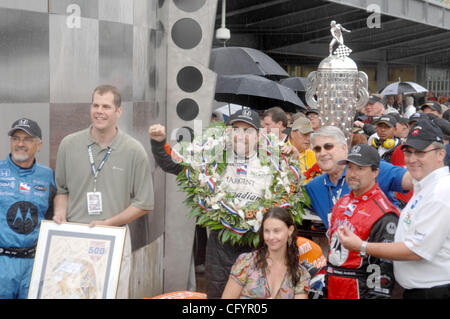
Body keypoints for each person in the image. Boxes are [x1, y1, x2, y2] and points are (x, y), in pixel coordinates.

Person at [150, 109, 277, 298]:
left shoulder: (272, 163)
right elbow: (173, 163)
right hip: (221, 247)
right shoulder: (209, 159)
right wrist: (159, 142)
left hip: (258, 244)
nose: (241, 135)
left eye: (248, 130)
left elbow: (288, 195)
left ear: (258, 136)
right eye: (236, 129)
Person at [53, 84, 154, 299]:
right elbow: (61, 190)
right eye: (95, 105)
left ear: (118, 111)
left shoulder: (134, 150)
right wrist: (60, 212)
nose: (99, 111)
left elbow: (144, 203)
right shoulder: (68, 145)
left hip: (113, 238)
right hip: (75, 238)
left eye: (106, 106)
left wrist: (108, 224)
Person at [337, 119, 450, 299]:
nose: (412, 159)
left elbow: (415, 251)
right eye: (409, 152)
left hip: (434, 291)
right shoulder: (425, 186)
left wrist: (362, 246)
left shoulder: (440, 192)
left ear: (440, 154)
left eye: (420, 153)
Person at [326, 144, 399, 299]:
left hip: (359, 290)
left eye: (360, 169)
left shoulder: (384, 212)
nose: (352, 173)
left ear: (375, 172)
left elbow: (384, 267)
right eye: (350, 167)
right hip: (333, 287)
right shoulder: (341, 202)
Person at [305, 126, 413, 228]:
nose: (322, 153)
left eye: (328, 146)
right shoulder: (312, 187)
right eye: (317, 149)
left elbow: (411, 179)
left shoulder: (367, 169)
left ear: (344, 148)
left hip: (379, 244)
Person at [0, 118, 56, 299]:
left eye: (27, 139)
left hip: (34, 264)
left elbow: (54, 214)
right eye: (16, 138)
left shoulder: (47, 175)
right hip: (2, 264)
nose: (20, 144)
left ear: (39, 145)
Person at [221, 207, 310, 299]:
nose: (271, 237)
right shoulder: (246, 263)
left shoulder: (300, 274)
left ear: (290, 230)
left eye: (277, 231)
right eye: (267, 231)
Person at [288, 117, 316, 181]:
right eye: (305, 134)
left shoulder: (313, 154)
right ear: (292, 134)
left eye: (309, 135)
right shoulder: (282, 151)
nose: (308, 139)